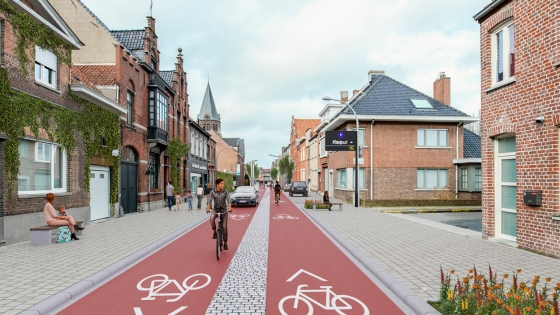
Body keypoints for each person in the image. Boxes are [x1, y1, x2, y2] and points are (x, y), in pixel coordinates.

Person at [206, 178, 232, 250]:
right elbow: (209, 201)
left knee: (224, 227)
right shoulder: (212, 192)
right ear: (217, 184)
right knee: (211, 218)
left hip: (224, 210)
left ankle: (225, 243)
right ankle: (214, 231)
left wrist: (229, 208)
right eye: (221, 184)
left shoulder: (225, 191)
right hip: (216, 209)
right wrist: (208, 208)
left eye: (223, 183)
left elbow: (229, 200)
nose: (222, 185)